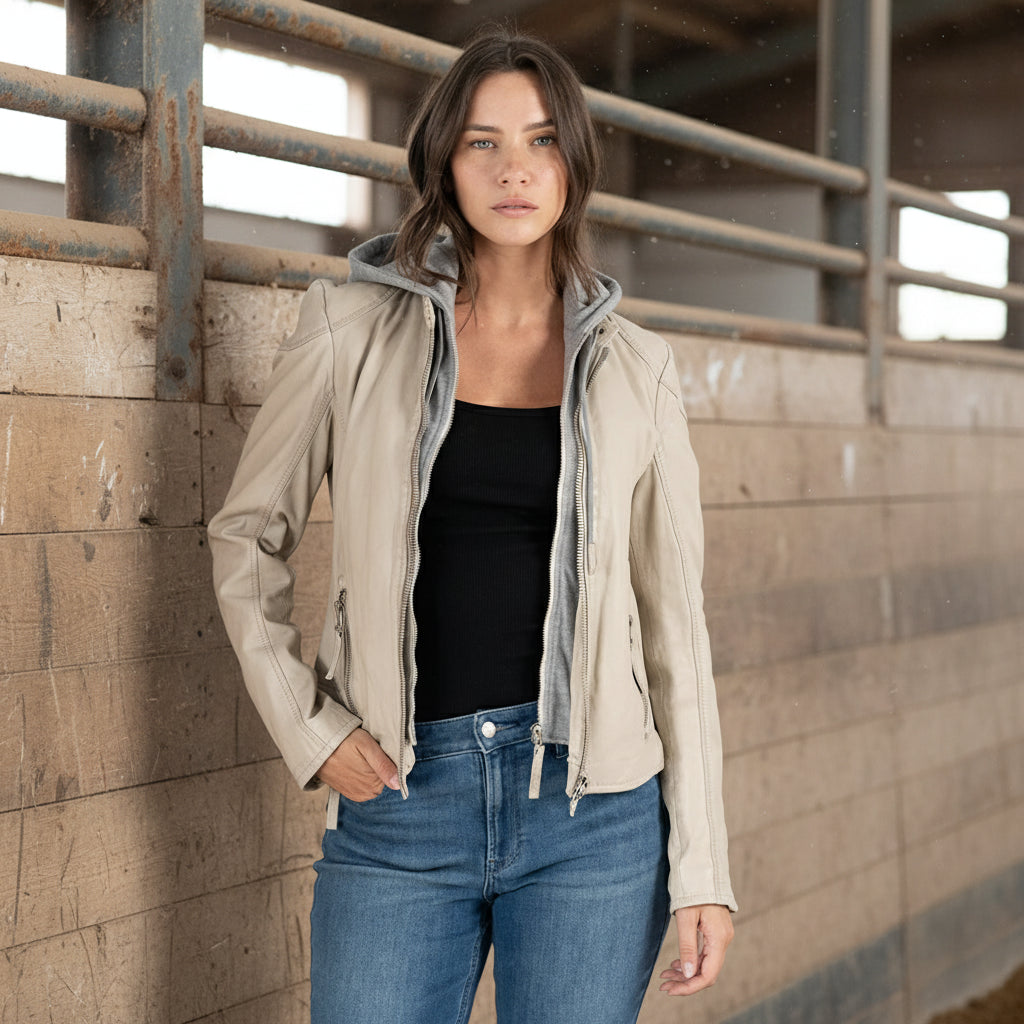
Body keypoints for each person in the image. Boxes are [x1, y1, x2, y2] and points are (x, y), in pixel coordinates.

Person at [208, 28, 736, 1024]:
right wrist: (310, 728)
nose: (513, 169)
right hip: (401, 798)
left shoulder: (639, 371)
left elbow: (675, 633)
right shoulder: (345, 329)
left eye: (540, 142)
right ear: (442, 161)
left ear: (573, 167)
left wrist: (702, 865)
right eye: (482, 142)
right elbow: (246, 536)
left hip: (594, 817)